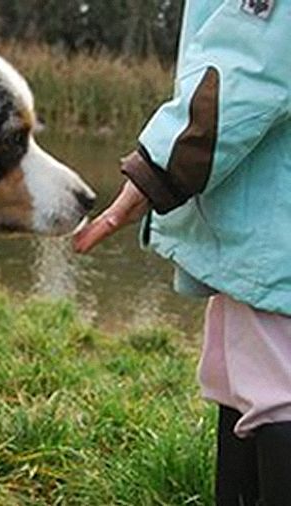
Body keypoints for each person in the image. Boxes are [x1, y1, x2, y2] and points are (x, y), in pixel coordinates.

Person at [73, 1, 291, 505]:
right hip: (261, 226)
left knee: (275, 393)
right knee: (240, 381)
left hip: (272, 223)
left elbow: (250, 64)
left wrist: (155, 171)